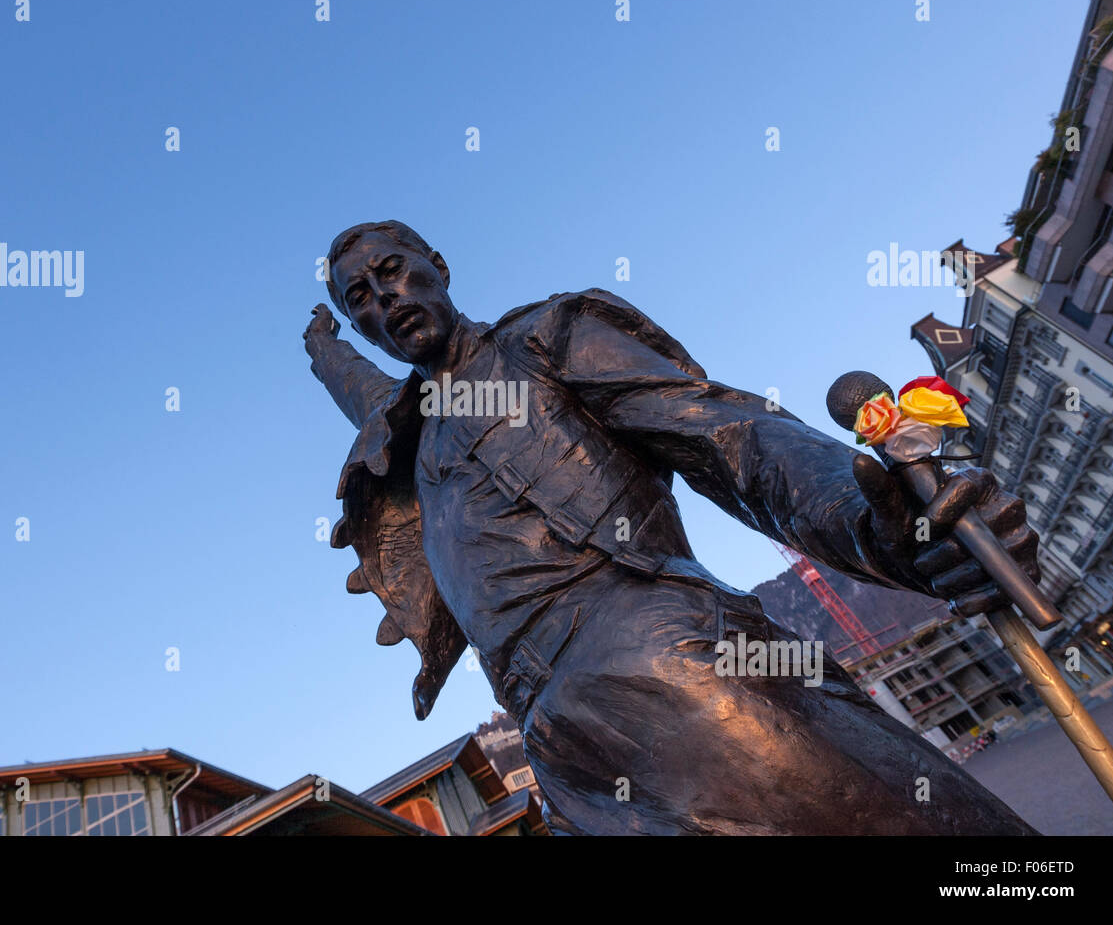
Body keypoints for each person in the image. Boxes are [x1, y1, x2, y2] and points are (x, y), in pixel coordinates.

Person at [304, 219, 1038, 834]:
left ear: (438, 265)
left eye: (393, 272)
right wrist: (325, 355)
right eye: (359, 299)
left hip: (665, 662)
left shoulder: (545, 338)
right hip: (557, 750)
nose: (384, 300)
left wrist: (879, 526)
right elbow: (365, 395)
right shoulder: (408, 446)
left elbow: (729, 436)